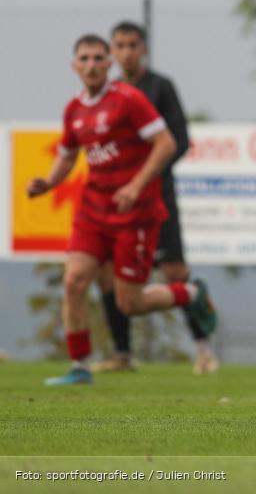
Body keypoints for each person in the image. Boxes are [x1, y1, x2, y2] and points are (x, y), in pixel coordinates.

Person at [26, 34, 216, 386]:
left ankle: (190, 293)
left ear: (108, 63)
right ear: (74, 66)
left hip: (136, 213)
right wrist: (49, 183)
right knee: (74, 280)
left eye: (99, 58)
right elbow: (68, 155)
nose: (92, 65)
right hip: (93, 211)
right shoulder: (74, 109)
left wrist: (135, 184)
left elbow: (166, 144)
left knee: (130, 303)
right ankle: (80, 366)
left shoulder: (129, 100)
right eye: (84, 58)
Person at [89, 21, 218, 375]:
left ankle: (204, 351)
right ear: (112, 52)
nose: (127, 52)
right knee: (108, 274)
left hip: (156, 197)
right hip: (116, 202)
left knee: (174, 272)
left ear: (143, 48)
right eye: (120, 45)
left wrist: (146, 175)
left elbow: (179, 139)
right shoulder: (107, 94)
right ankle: (122, 354)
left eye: (133, 45)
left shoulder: (159, 87)